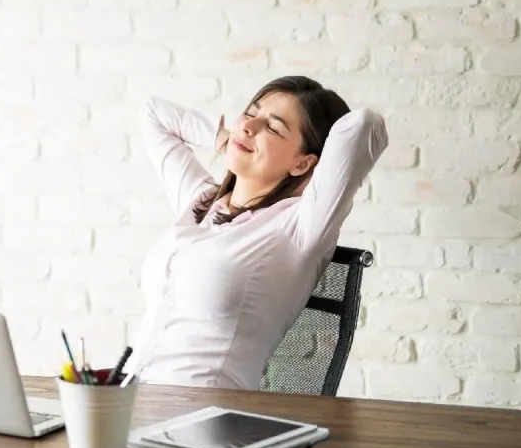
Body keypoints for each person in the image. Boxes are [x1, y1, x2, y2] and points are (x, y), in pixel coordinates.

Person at [126, 75, 388, 391]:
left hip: (203, 410)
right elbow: (154, 114)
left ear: (303, 164)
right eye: (251, 113)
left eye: (274, 128)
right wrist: (226, 139)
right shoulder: (201, 201)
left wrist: (313, 171)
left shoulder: (300, 226)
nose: (249, 127)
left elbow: (364, 125)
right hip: (128, 397)